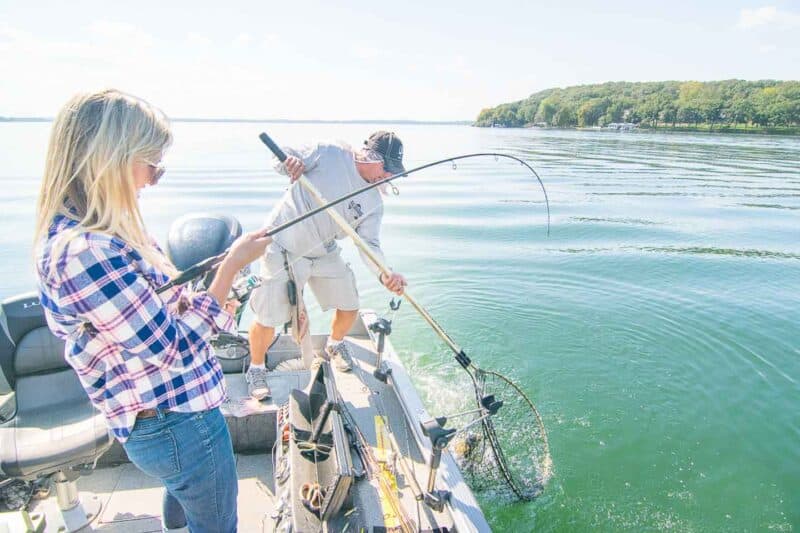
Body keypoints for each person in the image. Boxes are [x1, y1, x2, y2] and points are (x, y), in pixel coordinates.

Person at [34, 89, 271, 532]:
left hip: (167, 418)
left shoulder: (105, 229)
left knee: (183, 501)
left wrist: (202, 295)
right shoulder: (87, 252)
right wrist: (231, 269)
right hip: (178, 423)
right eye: (151, 163)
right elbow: (173, 348)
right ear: (110, 158)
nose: (155, 178)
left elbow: (153, 309)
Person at [246, 132, 407, 399]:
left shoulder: (374, 202)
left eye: (393, 172)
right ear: (371, 157)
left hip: (324, 252)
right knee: (268, 317)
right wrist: (290, 163)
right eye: (387, 169)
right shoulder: (328, 152)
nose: (388, 176)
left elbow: (369, 246)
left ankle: (334, 345)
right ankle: (256, 368)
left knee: (349, 304)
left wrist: (385, 274)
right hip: (282, 245)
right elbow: (281, 155)